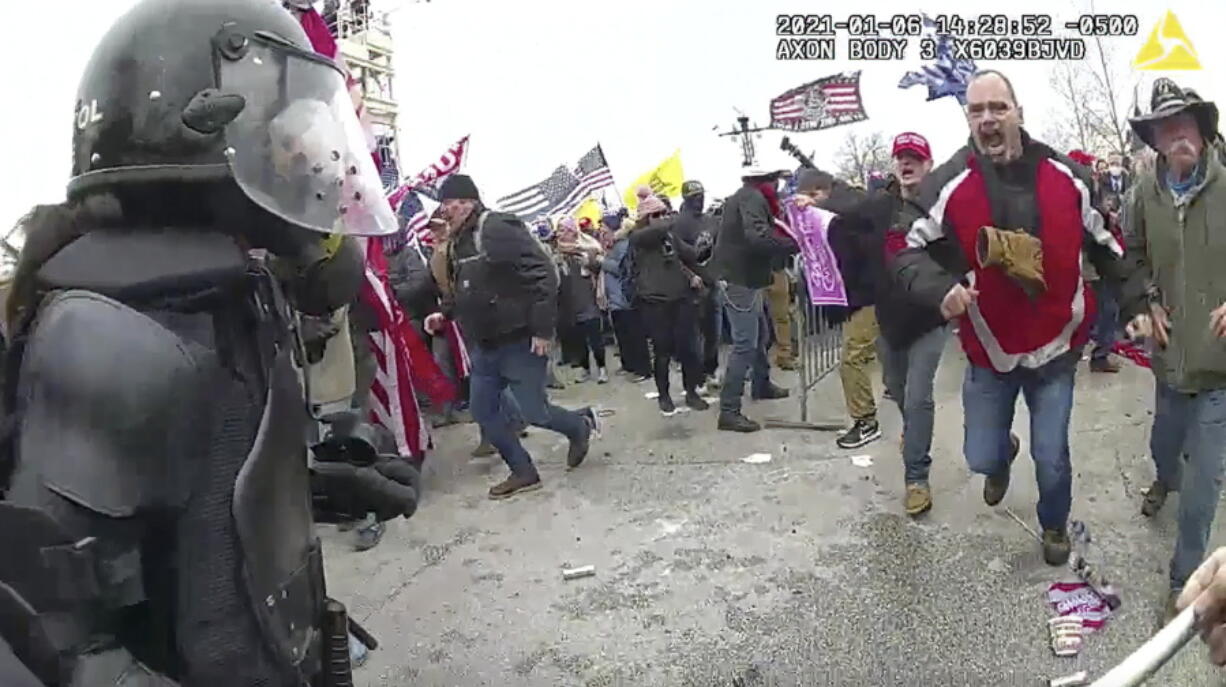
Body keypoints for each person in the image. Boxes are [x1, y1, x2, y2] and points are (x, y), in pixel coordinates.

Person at [0, 0, 421, 683]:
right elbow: (46, 630)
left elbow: (201, 499)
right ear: (194, 134)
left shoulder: (224, 291)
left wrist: (329, 484)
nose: (308, 163)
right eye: (284, 139)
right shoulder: (111, 332)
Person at [890, 70, 1122, 565]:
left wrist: (1142, 303)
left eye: (998, 108)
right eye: (977, 111)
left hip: (1057, 347)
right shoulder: (950, 182)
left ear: (1019, 111)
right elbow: (901, 244)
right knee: (980, 457)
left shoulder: (1067, 178)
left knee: (1053, 457)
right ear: (968, 118)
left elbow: (1108, 247)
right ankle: (1001, 455)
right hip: (990, 349)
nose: (988, 119)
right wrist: (940, 288)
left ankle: (1054, 524)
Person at [1118, 78, 1226, 620]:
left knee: (1203, 487)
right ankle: (1164, 475)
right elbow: (1127, 256)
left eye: (1185, 123)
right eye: (1165, 127)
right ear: (1155, 139)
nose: (1176, 135)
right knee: (1166, 446)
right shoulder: (1142, 194)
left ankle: (1183, 586)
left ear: (1203, 131)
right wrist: (1145, 299)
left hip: (1220, 369)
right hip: (1168, 359)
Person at [425, 174, 599, 500]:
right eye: (444, 205)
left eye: (449, 204)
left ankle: (578, 427)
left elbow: (543, 274)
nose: (445, 211)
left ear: (468, 202)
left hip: (520, 339)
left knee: (535, 412)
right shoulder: (458, 241)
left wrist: (543, 329)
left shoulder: (497, 227)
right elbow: (465, 287)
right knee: (484, 411)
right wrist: (444, 314)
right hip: (485, 345)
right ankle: (523, 471)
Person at [830, 132, 948, 516]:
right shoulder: (879, 206)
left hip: (930, 317)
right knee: (897, 389)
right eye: (901, 157)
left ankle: (916, 478)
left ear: (928, 163)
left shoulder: (944, 203)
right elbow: (843, 224)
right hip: (890, 319)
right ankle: (912, 433)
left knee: (918, 396)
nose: (907, 162)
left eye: (915, 156)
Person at [710, 169, 796, 432]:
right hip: (738, 280)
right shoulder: (751, 198)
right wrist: (794, 243)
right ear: (765, 181)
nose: (778, 185)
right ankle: (729, 410)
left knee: (760, 335)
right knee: (745, 343)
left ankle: (761, 384)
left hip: (746, 278)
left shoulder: (746, 197)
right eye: (775, 180)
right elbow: (757, 237)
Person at [629, 187, 710, 415]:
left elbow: (691, 255)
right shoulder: (639, 237)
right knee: (662, 351)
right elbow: (652, 232)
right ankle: (664, 396)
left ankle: (691, 392)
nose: (662, 218)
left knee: (688, 350)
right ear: (646, 218)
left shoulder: (670, 236)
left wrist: (706, 244)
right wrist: (674, 219)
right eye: (656, 214)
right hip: (654, 302)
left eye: (664, 213)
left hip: (681, 299)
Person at [672, 180, 723, 380]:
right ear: (686, 199)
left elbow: (719, 249)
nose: (699, 201)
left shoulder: (710, 220)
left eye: (701, 196)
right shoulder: (678, 224)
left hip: (713, 282)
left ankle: (711, 369)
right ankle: (697, 377)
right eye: (694, 198)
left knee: (714, 333)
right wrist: (690, 275)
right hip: (691, 287)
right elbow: (673, 257)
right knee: (695, 337)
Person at [556, 218, 609, 384]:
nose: (560, 234)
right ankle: (585, 369)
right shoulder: (557, 253)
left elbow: (601, 265)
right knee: (578, 341)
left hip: (588, 300)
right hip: (569, 303)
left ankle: (602, 369)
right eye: (559, 230)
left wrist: (589, 262)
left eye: (563, 230)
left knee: (595, 338)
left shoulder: (589, 248)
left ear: (573, 232)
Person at [601, 212, 652, 381]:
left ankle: (643, 369)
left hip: (625, 298)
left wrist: (602, 261)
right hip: (615, 300)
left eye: (604, 227)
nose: (601, 231)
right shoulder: (611, 246)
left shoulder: (623, 245)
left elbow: (621, 269)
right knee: (623, 336)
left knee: (635, 335)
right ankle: (628, 364)